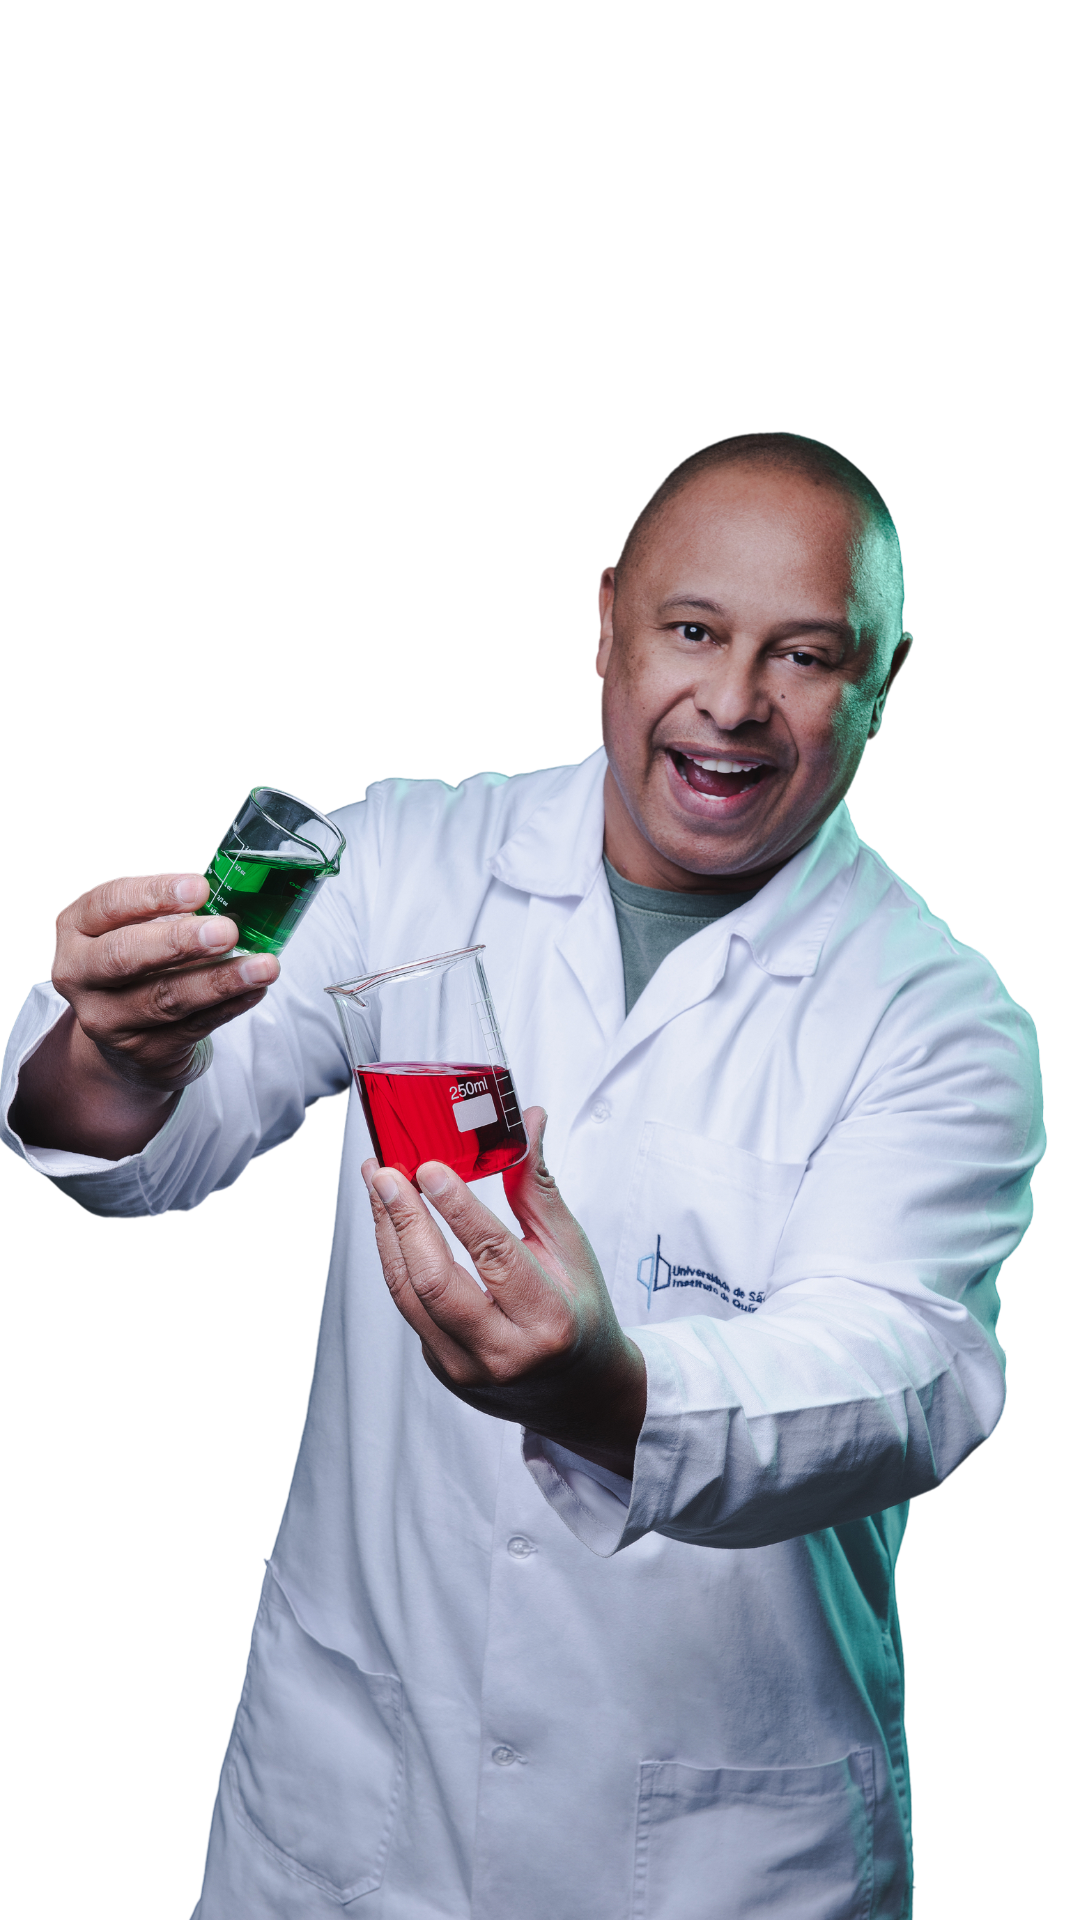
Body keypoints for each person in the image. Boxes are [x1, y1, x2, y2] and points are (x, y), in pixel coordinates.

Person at [2, 432, 1041, 1919]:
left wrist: (606, 1390)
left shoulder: (937, 1016)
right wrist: (121, 1045)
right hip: (354, 1811)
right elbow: (144, 1143)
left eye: (807, 656)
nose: (734, 703)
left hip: (721, 1855)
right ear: (608, 621)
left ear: (884, 682)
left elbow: (900, 1377)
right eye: (694, 630)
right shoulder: (411, 860)